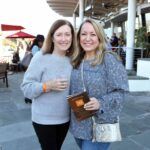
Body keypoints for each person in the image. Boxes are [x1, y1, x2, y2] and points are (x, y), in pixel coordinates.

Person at [69, 19, 129, 150]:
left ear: (100, 37)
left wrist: (100, 103)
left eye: (93, 34)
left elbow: (121, 92)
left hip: (100, 124)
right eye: (84, 34)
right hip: (79, 124)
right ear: (79, 37)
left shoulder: (109, 59)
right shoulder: (76, 60)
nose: (87, 38)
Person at [21, 19, 76, 150]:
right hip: (43, 120)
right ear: (52, 37)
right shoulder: (41, 57)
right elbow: (26, 88)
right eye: (59, 34)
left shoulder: (72, 59)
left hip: (65, 119)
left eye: (67, 34)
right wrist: (46, 86)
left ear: (72, 37)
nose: (64, 39)